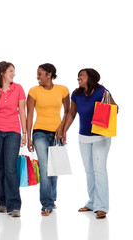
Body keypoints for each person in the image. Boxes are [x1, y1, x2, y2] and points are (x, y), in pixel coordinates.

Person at [62, 68, 118, 219]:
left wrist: (108, 100)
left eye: (82, 75)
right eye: (78, 76)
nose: (78, 78)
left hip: (101, 137)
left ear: (91, 77)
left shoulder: (102, 91)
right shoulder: (76, 94)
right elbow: (72, 113)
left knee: (99, 170)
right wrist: (64, 130)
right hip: (84, 137)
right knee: (89, 171)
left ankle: (102, 206)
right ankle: (92, 202)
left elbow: (116, 110)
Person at [27, 63, 70, 216]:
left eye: (40, 74)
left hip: (57, 134)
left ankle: (52, 199)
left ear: (49, 74)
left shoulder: (63, 90)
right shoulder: (33, 91)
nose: (37, 77)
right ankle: (46, 204)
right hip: (39, 133)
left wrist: (62, 129)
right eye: (37, 74)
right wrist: (28, 136)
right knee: (45, 167)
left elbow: (68, 112)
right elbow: (30, 115)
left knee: (54, 168)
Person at [0, 61, 26, 217]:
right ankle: (2, 202)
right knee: (0, 168)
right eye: (10, 71)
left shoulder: (19, 88)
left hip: (13, 132)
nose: (13, 74)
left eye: (13, 71)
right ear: (2, 73)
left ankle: (14, 206)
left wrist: (24, 133)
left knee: (10, 169)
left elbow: (22, 111)